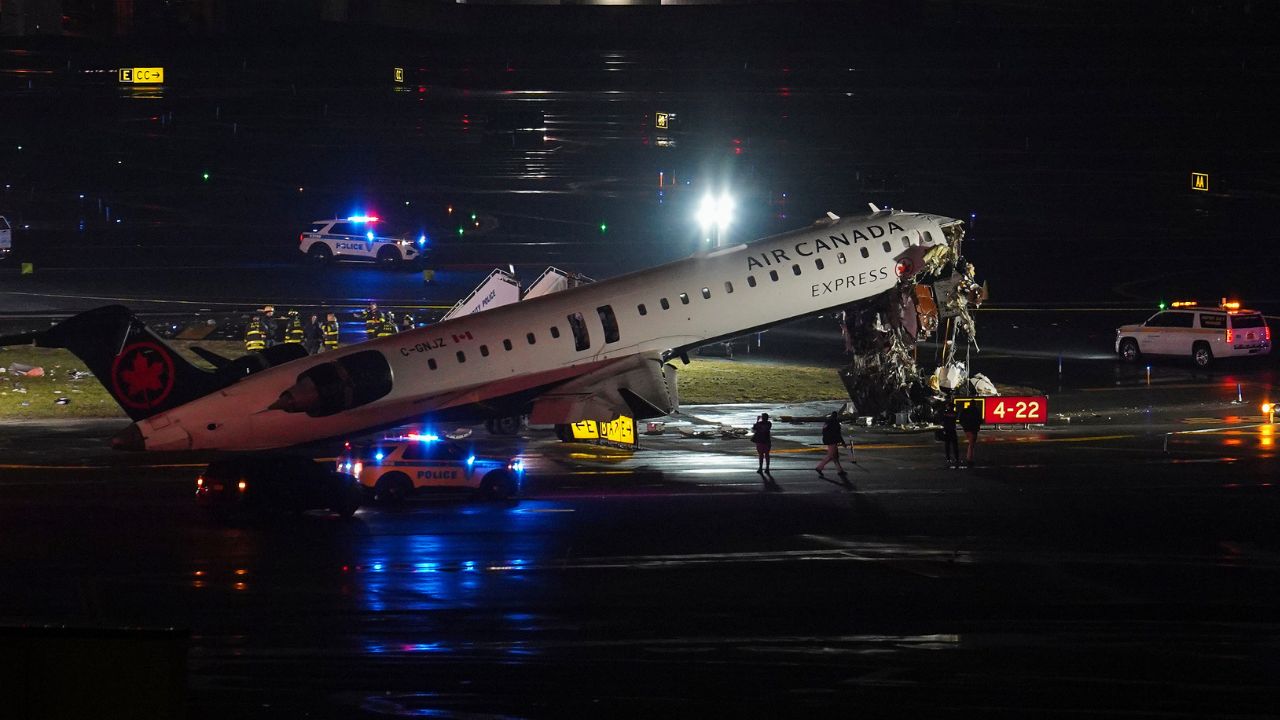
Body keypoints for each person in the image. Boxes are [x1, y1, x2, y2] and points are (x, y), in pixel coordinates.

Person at [815, 411, 847, 479]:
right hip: (832, 441)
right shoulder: (835, 423)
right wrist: (843, 442)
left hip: (828, 440)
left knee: (835, 456)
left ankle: (840, 470)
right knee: (830, 456)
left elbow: (824, 431)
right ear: (836, 416)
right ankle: (819, 467)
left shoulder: (827, 422)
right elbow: (838, 433)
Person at [958, 399, 983, 468]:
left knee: (971, 443)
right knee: (971, 444)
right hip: (973, 429)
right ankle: (969, 459)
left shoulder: (965, 411)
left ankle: (969, 458)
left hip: (966, 429)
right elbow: (980, 420)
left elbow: (960, 419)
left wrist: (964, 425)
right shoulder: (976, 411)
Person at [939, 396, 960, 469]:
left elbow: (942, 421)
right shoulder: (955, 413)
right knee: (955, 445)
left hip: (947, 430)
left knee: (947, 445)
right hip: (953, 430)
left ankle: (948, 458)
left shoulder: (945, 413)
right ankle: (956, 458)